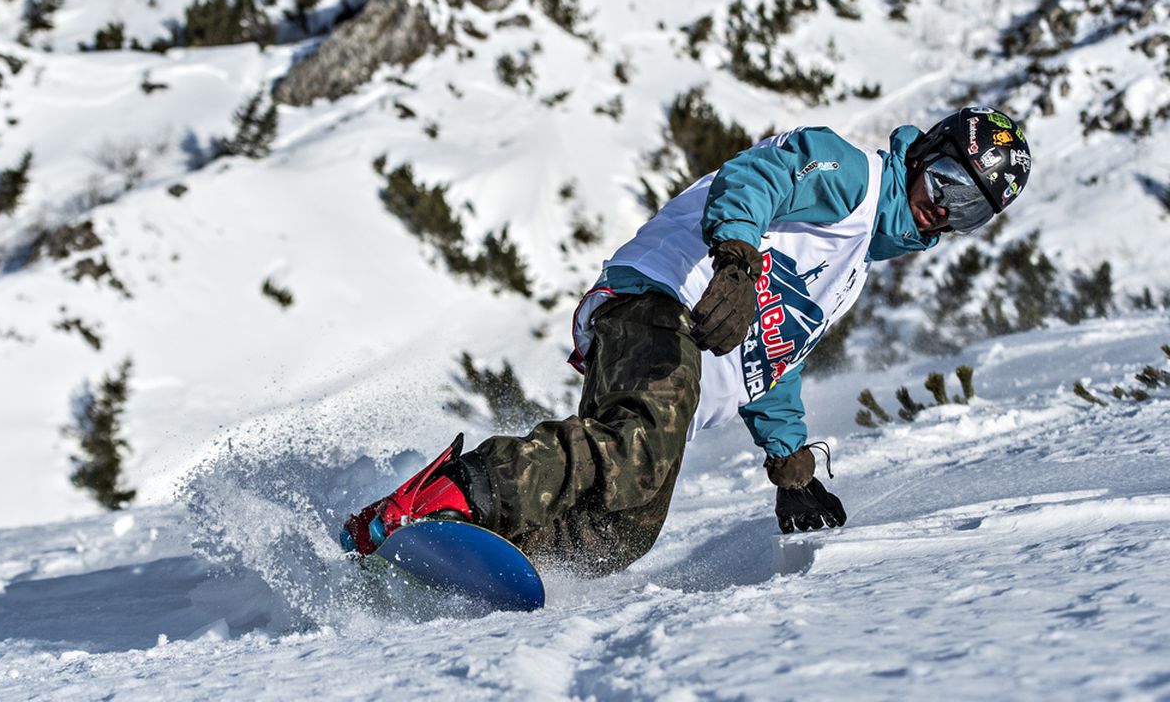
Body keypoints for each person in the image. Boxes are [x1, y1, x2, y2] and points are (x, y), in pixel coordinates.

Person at [342, 106, 1033, 575]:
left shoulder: (848, 272)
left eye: (969, 209)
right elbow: (757, 176)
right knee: (638, 446)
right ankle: (458, 491)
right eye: (947, 183)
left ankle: (472, 544)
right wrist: (735, 258)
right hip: (660, 299)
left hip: (685, 354)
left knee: (624, 533)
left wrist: (790, 466)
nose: (943, 208)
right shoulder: (852, 174)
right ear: (928, 154)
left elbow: (772, 356)